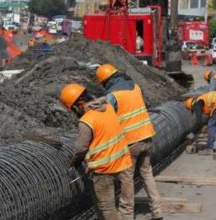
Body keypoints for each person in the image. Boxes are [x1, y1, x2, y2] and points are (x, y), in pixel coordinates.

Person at [95, 64, 163, 220]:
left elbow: (105, 118)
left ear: (105, 81)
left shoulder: (113, 95)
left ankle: (126, 215)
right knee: (147, 174)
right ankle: (157, 210)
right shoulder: (135, 87)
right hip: (146, 136)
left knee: (127, 178)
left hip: (130, 142)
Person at [59, 83, 134, 220]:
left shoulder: (86, 121)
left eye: (74, 109)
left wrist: (74, 160)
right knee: (125, 203)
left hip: (103, 170)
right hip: (123, 160)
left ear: (79, 103)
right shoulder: (108, 107)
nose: (75, 112)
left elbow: (81, 148)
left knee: (107, 207)